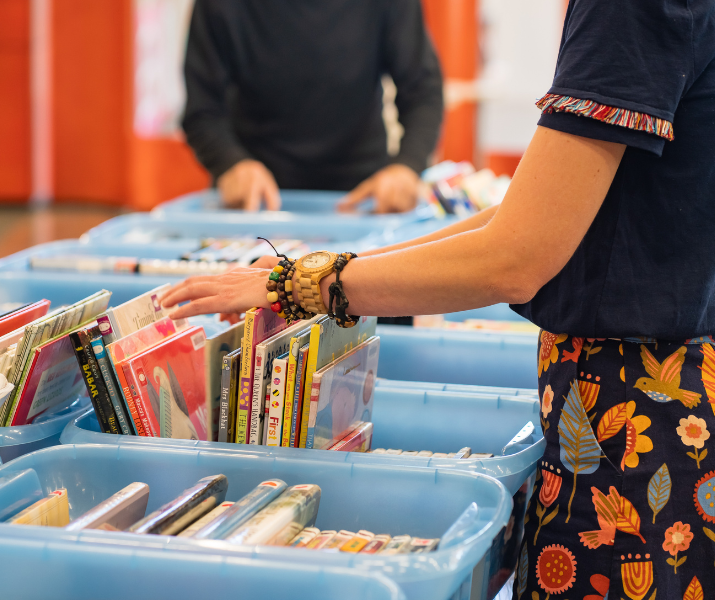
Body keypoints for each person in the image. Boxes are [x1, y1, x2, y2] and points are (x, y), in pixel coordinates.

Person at [162, 0, 715, 596]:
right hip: (656, 398)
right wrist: (327, 271)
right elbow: (533, 215)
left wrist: (300, 284)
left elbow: (517, 257)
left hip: (634, 420)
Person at [181, 0, 444, 213]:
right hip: (256, 201)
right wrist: (229, 163)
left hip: (361, 199)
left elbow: (423, 90)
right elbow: (201, 110)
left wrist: (407, 166)